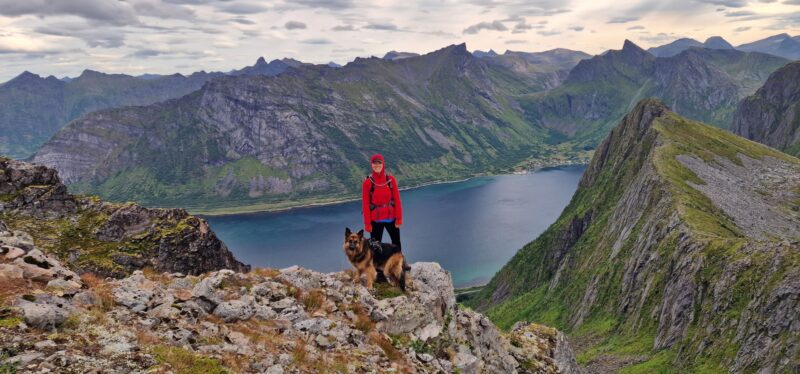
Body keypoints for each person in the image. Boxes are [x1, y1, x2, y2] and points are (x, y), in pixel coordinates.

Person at [362, 154, 402, 248]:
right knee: (375, 247)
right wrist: (367, 223)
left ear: (383, 164)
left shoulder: (391, 180)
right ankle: (377, 259)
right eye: (374, 163)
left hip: (391, 218)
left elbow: (397, 200)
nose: (377, 165)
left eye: (379, 163)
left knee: (396, 244)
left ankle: (398, 258)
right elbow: (365, 204)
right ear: (371, 164)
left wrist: (399, 218)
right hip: (375, 220)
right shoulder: (367, 183)